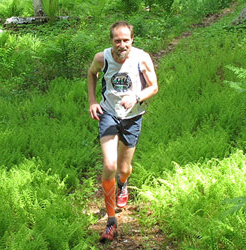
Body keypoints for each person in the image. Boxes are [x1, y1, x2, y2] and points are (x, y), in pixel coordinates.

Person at [87, 21, 158, 242]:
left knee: (124, 168)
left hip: (133, 117)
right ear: (111, 41)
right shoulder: (102, 58)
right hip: (108, 114)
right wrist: (92, 101)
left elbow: (153, 86)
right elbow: (91, 74)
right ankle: (111, 221)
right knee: (109, 165)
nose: (121, 44)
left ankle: (123, 183)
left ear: (132, 40)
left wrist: (136, 97)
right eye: (117, 40)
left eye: (125, 40)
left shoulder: (142, 58)